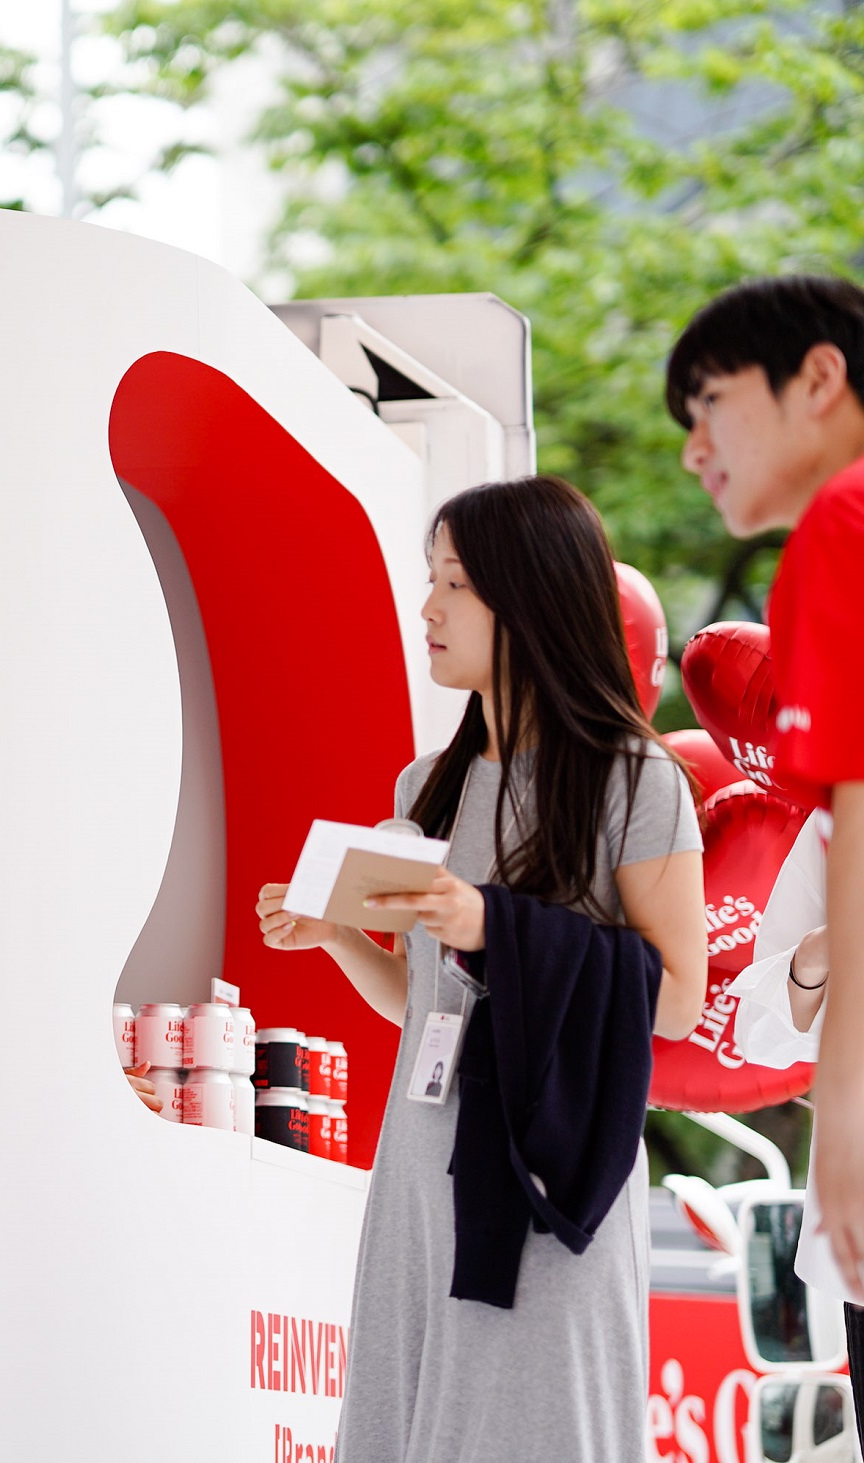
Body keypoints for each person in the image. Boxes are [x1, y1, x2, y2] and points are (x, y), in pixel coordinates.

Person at [253, 476, 708, 1461]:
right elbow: (424, 1006)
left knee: (525, 1427)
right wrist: (334, 931)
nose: (427, 607)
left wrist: (495, 927)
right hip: (417, 1169)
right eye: (430, 579)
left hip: (541, 1181)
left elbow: (675, 999)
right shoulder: (427, 785)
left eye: (452, 583)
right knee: (406, 1421)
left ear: (531, 594)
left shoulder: (637, 782)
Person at [668, 274, 864, 1369]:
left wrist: (840, 1132)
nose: (696, 447)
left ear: (818, 379)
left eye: (710, 401)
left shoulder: (844, 526)